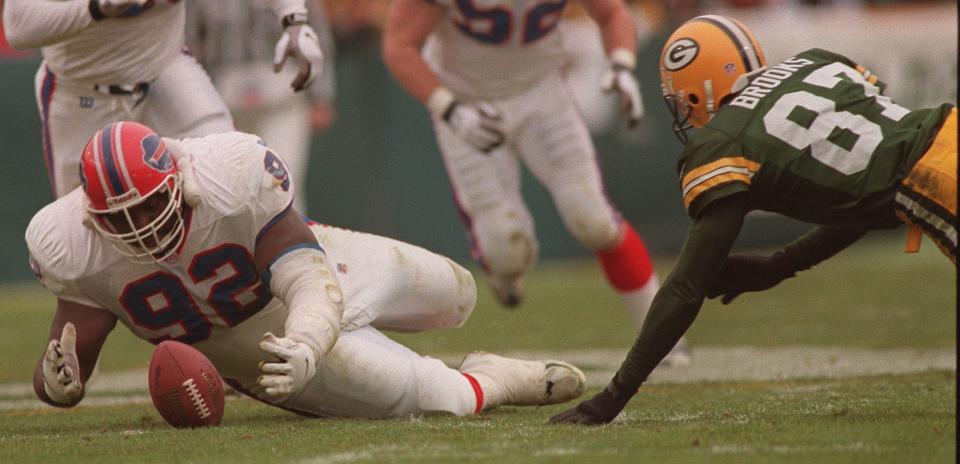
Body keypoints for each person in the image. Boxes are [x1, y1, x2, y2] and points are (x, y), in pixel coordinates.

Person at [549, 14, 956, 425]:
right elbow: (873, 191)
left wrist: (613, 396)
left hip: (938, 180)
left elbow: (687, 286)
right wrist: (781, 264)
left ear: (695, 91)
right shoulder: (816, 62)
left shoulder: (723, 142)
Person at [27, 121, 587, 418]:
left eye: (150, 205)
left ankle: (453, 349)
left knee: (456, 293)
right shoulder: (71, 245)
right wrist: (57, 384)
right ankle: (492, 380)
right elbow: (68, 356)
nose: (143, 226)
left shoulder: (230, 172)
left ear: (174, 178)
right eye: (121, 218)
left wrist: (310, 337)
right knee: (437, 397)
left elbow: (301, 272)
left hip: (317, 269)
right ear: (92, 216)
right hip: (250, 346)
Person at [381, 0, 689, 365]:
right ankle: (504, 269)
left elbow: (612, 14)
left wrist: (622, 65)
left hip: (541, 93)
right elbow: (399, 45)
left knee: (593, 218)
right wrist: (449, 107)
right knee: (505, 251)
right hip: (467, 98)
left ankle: (664, 335)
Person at [3, 0, 324, 198]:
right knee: (82, 229)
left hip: (165, 68)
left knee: (235, 173)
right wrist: (95, 7)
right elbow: (18, 26)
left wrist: (293, 18)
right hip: (81, 90)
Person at [185, 0, 337, 214]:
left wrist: (321, 96)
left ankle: (290, 245)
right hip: (225, 98)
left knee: (281, 180)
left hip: (283, 95)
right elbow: (190, 42)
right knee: (229, 184)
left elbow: (316, 35)